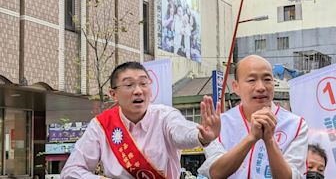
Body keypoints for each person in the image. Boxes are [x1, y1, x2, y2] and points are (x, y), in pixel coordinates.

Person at [61, 61, 221, 179]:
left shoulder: (164, 116)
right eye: (129, 85)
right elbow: (70, 172)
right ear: (113, 94)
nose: (138, 91)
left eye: (144, 83)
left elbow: (181, 132)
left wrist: (201, 137)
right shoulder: (101, 125)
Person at [198, 55, 308, 179]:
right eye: (251, 80)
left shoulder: (296, 125)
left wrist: (270, 141)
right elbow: (216, 173)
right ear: (236, 87)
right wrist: (251, 138)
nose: (261, 87)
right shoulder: (221, 124)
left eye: (267, 79)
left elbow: (292, 176)